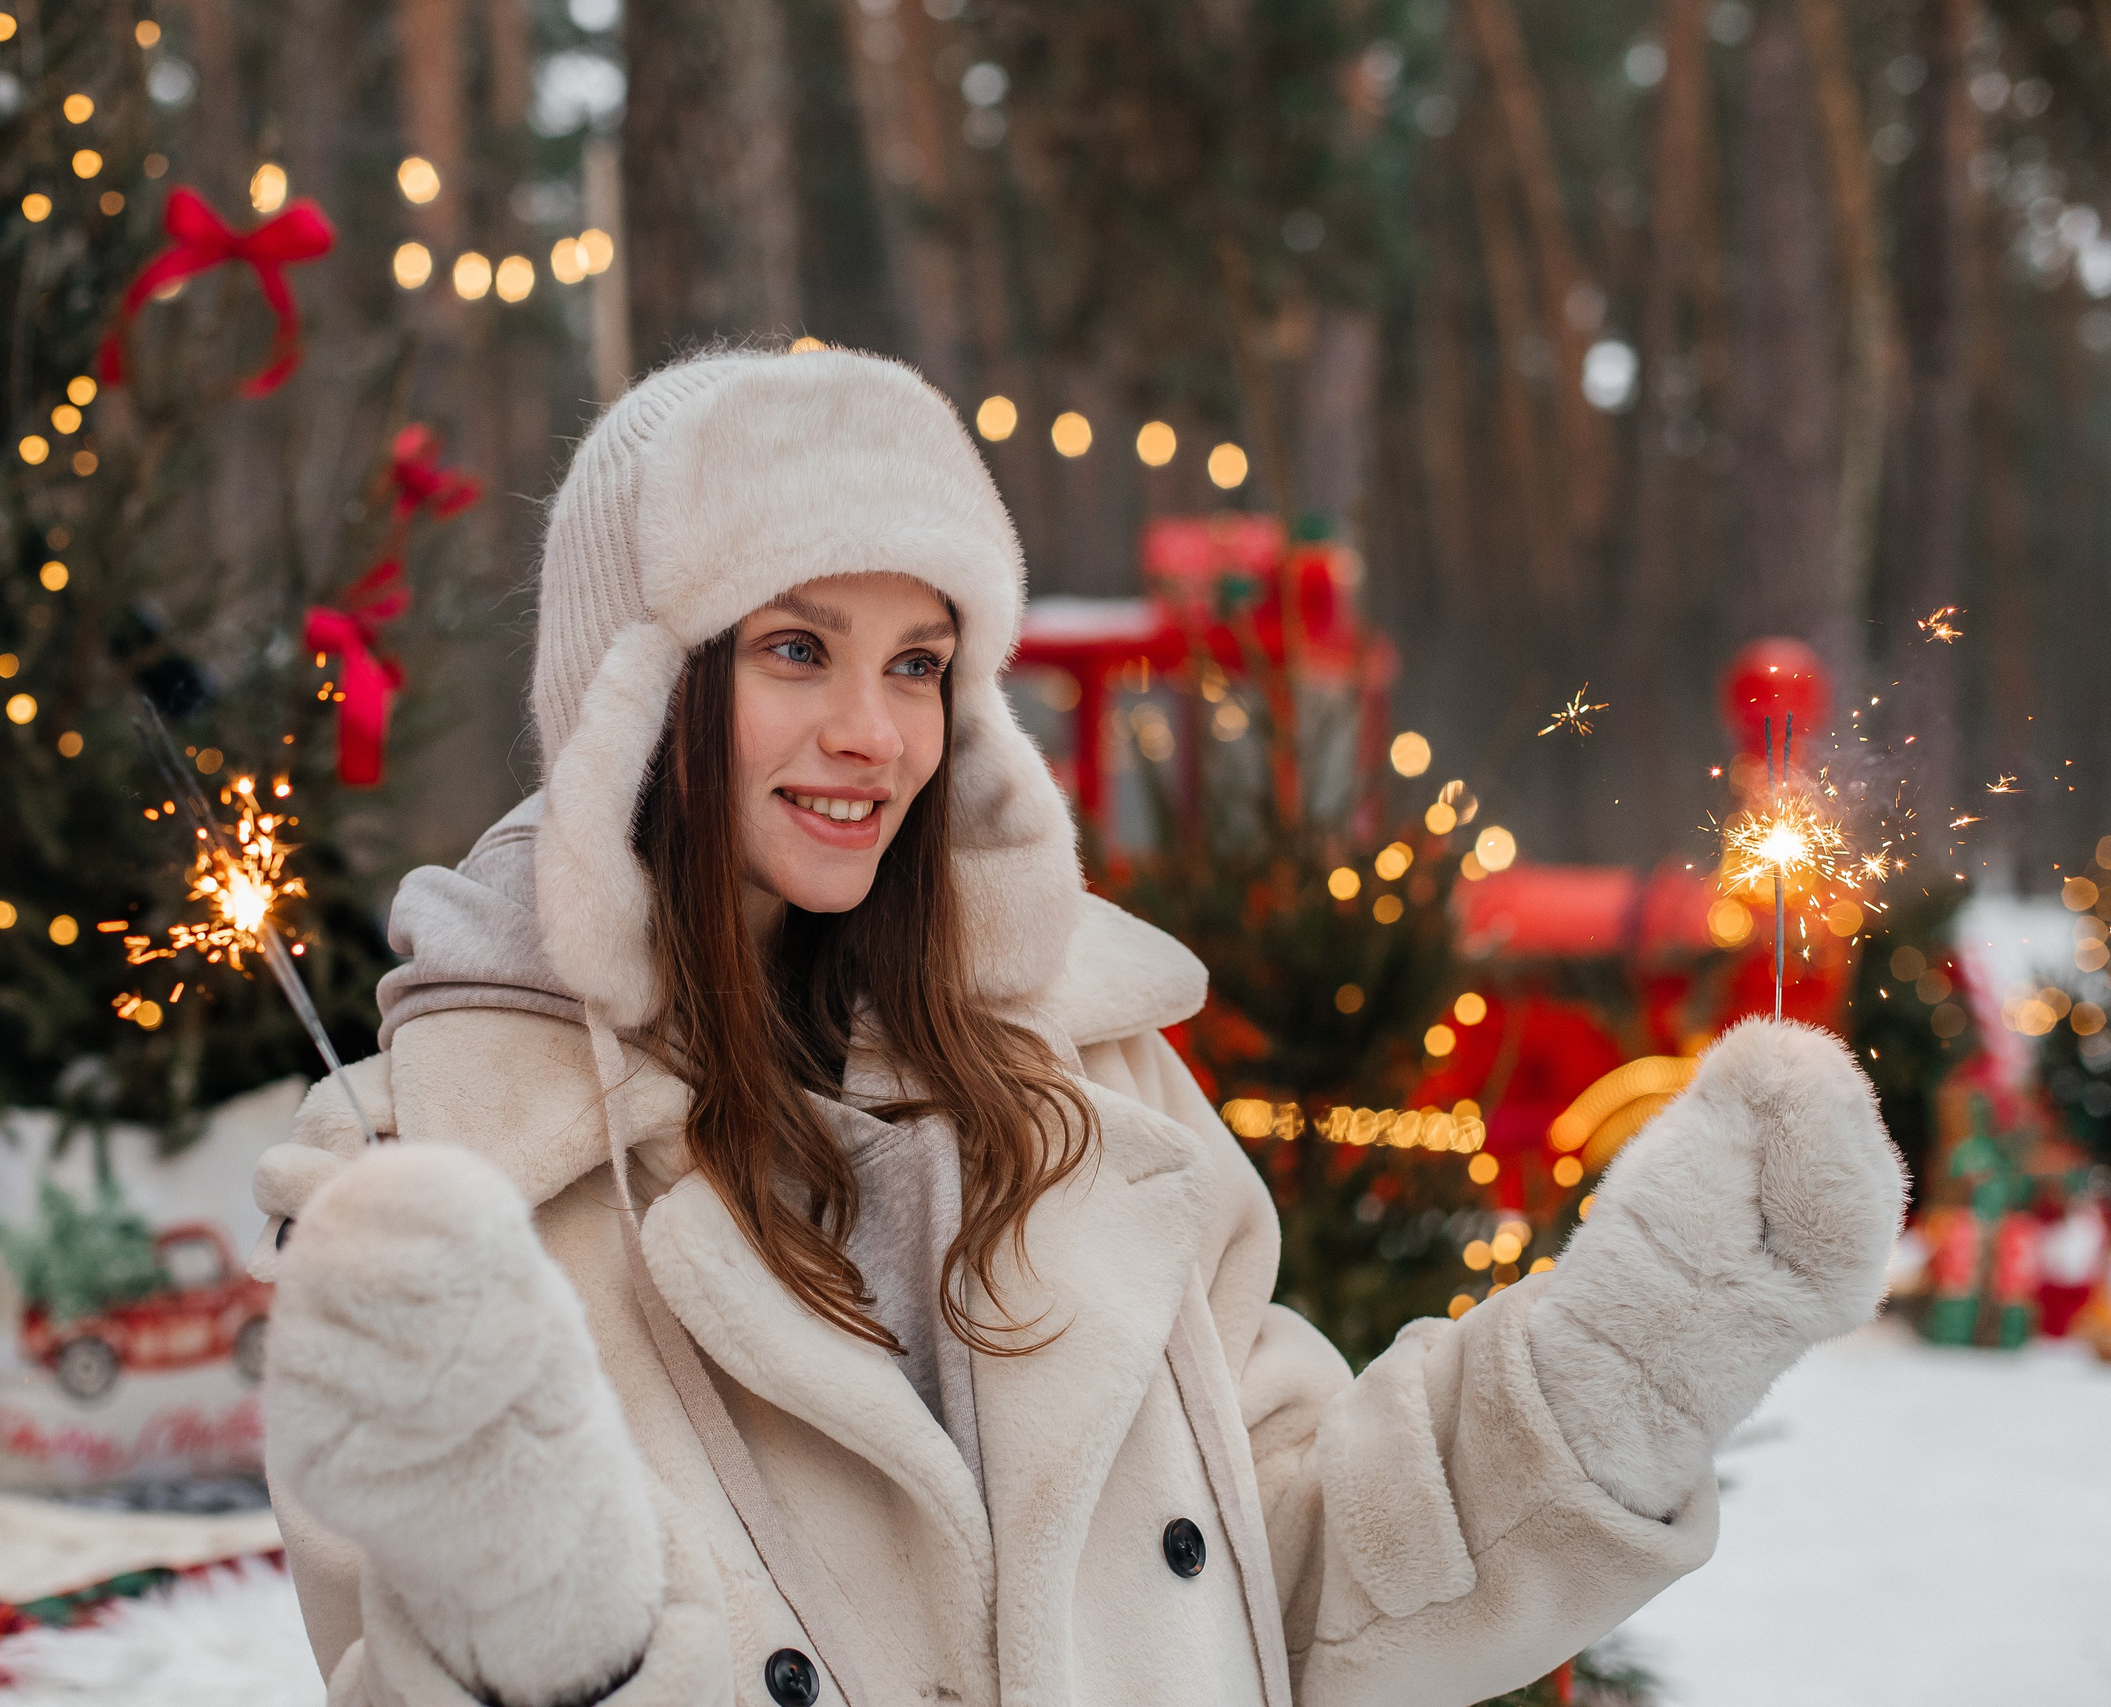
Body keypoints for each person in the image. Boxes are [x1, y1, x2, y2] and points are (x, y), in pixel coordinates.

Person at [250, 348, 1905, 1707]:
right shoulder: (430, 1182)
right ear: (636, 693)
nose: (867, 732)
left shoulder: (1081, 1073)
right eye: (795, 648)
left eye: (918, 662)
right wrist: (538, 1600)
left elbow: (1296, 1572)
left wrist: (1652, 1337)